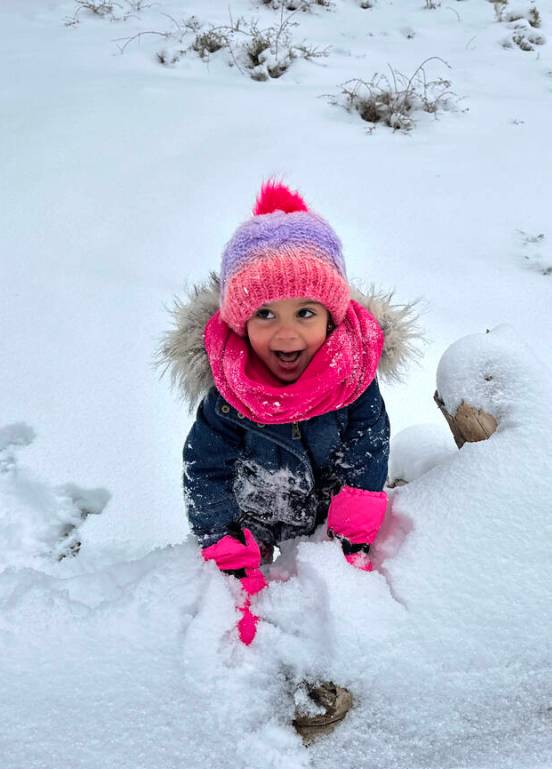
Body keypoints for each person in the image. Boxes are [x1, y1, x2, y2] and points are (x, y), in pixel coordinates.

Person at [159, 181, 420, 645]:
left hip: (328, 510)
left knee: (341, 596)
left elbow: (368, 442)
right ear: (239, 322)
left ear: (332, 316)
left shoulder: (352, 377)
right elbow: (205, 466)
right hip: (253, 511)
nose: (286, 335)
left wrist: (353, 524)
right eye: (264, 314)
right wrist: (223, 538)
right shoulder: (228, 391)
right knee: (241, 609)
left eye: (305, 313)